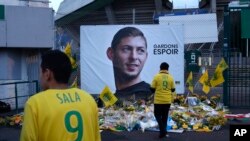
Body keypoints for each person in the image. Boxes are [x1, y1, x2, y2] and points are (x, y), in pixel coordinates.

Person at [20, 50, 101, 141]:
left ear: (47, 73)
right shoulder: (88, 99)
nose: (40, 76)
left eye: (40, 72)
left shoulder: (35, 103)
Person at [106, 27, 152, 101]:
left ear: (145, 56)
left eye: (140, 50)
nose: (134, 57)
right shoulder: (108, 100)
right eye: (126, 49)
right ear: (111, 53)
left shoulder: (153, 96)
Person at [150, 62, 175, 139]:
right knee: (165, 117)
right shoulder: (171, 77)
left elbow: (152, 88)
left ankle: (163, 130)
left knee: (157, 115)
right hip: (167, 100)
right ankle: (163, 132)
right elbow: (173, 89)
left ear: (160, 68)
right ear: (167, 69)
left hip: (158, 100)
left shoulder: (156, 77)